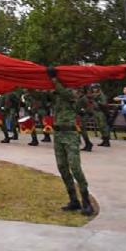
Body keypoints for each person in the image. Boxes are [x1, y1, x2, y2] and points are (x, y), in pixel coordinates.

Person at [47, 66, 94, 216]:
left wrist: (54, 79)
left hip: (70, 134)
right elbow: (40, 96)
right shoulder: (57, 93)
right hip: (58, 134)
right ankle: (73, 200)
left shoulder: (73, 93)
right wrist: (29, 85)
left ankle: (86, 201)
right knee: (62, 167)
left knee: (75, 168)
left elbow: (64, 92)